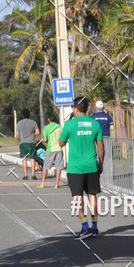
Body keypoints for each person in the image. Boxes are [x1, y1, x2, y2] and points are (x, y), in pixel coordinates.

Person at [59, 95, 105, 239]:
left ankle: (85, 227)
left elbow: (61, 143)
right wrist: (100, 163)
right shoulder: (95, 124)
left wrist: (67, 128)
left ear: (75, 109)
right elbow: (101, 147)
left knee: (77, 197)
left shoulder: (70, 124)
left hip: (75, 168)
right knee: (92, 195)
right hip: (91, 165)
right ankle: (95, 227)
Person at [15, 109, 40, 180]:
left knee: (24, 159)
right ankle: (33, 175)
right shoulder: (33, 122)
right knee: (32, 158)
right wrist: (32, 134)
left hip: (23, 143)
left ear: (22, 115)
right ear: (29, 114)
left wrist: (20, 140)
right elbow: (38, 132)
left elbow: (17, 135)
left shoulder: (19, 123)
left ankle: (25, 175)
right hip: (31, 142)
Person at [41, 115, 64, 189]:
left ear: (48, 119)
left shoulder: (46, 127)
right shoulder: (60, 127)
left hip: (50, 149)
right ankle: (56, 185)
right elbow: (62, 138)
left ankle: (43, 184)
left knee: (45, 166)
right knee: (58, 167)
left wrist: (44, 139)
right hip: (59, 149)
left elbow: (45, 140)